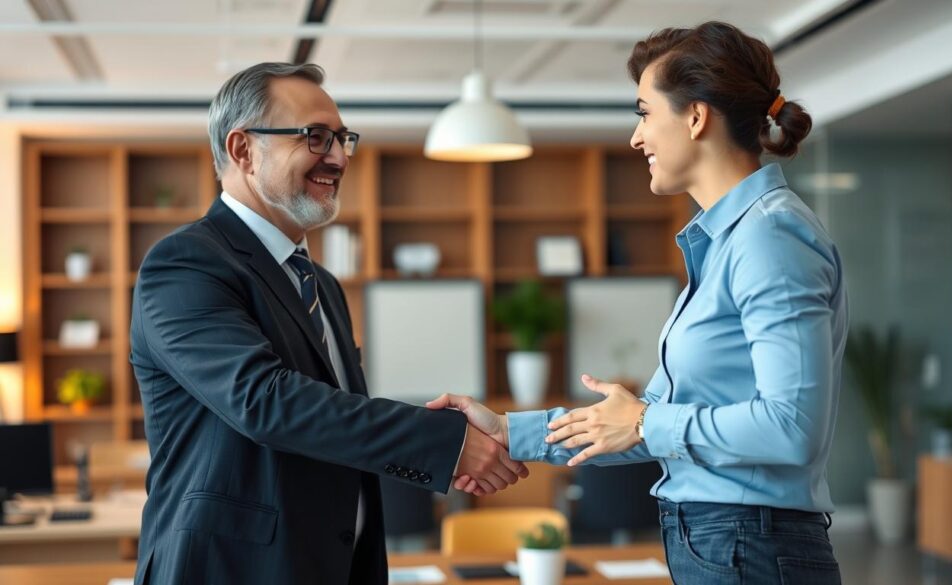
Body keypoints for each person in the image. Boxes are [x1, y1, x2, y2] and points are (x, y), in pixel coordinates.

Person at [428, 21, 847, 585]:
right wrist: (507, 430)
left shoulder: (769, 237)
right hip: (726, 541)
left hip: (749, 543)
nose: (636, 138)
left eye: (644, 113)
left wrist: (648, 422)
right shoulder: (728, 241)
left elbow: (792, 428)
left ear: (696, 116)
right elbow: (633, 426)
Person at [129, 62, 528, 585]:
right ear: (243, 149)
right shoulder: (186, 263)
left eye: (342, 138)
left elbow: (336, 420)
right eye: (315, 137)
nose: (338, 157)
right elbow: (265, 400)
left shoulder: (322, 284)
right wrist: (444, 443)